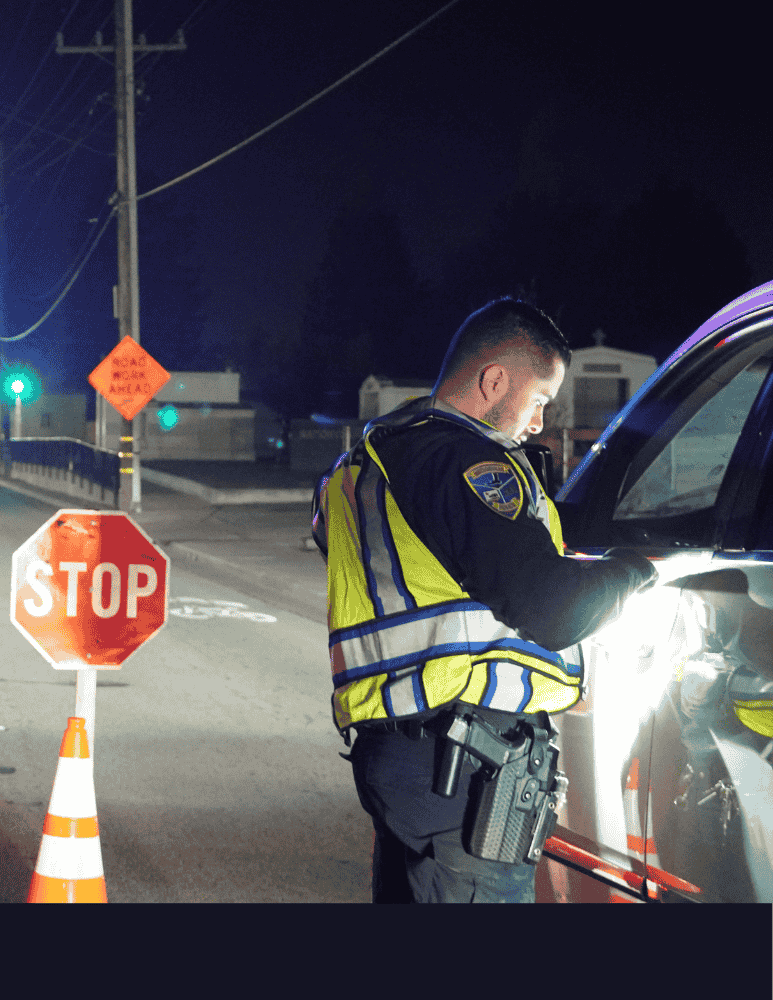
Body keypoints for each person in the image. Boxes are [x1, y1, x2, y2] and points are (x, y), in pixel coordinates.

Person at [312, 297, 657, 903]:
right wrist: (632, 574)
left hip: (401, 751)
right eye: (539, 400)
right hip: (464, 762)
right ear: (494, 380)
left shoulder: (362, 466)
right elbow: (547, 606)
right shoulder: (462, 460)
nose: (538, 423)